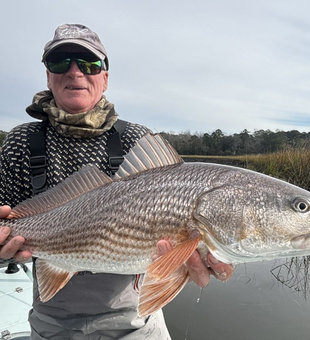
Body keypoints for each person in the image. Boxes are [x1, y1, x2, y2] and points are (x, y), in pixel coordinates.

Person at [0, 24, 233, 339]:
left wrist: (188, 267)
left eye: (89, 63)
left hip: (136, 320)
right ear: (48, 76)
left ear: (105, 78)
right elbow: (6, 221)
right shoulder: (22, 141)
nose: (75, 72)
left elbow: (172, 249)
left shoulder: (136, 140)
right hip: (53, 321)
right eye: (60, 62)